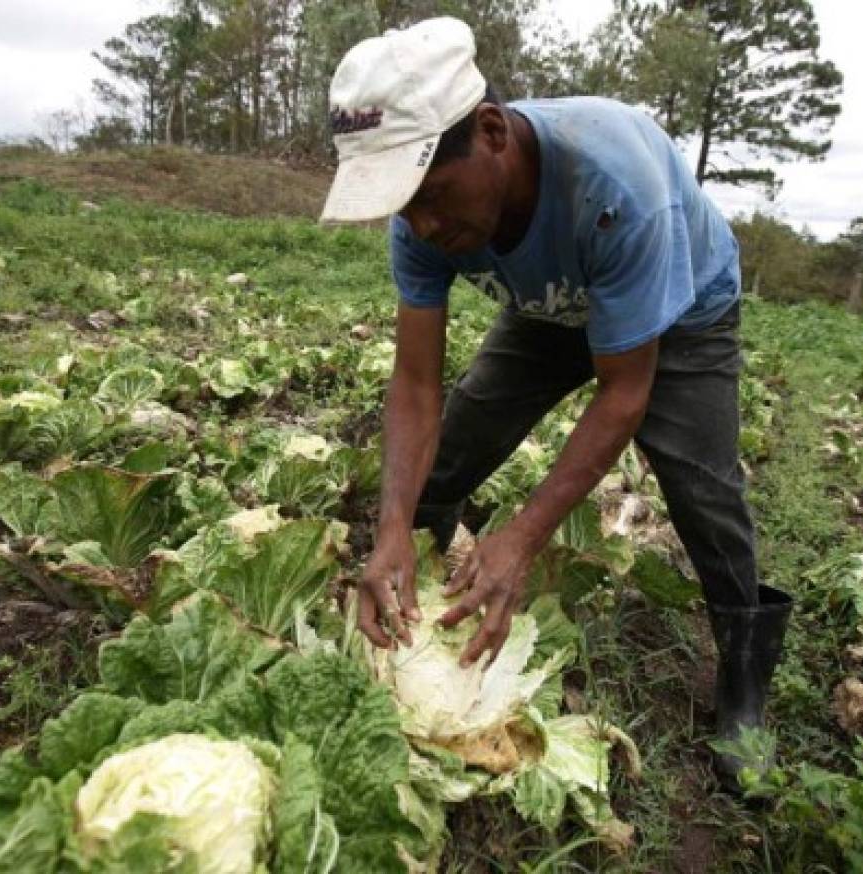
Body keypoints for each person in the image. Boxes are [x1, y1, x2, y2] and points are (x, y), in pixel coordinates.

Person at [319, 16, 793, 793]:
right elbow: (415, 386)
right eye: (405, 206)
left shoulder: (615, 185)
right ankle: (411, 601)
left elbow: (624, 395)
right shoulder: (422, 222)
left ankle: (744, 683)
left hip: (679, 311)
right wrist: (392, 526)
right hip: (550, 307)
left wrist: (521, 537)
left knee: (701, 484)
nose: (425, 226)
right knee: (459, 443)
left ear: (493, 132)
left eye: (434, 195)